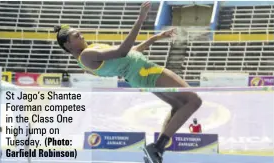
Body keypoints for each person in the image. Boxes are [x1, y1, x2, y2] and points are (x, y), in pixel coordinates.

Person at [54, 2, 202, 163]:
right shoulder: (86, 56)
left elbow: (131, 53)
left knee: (180, 105)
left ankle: (157, 149)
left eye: (80, 33)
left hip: (141, 75)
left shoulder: (90, 51)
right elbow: (122, 51)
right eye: (76, 36)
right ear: (68, 45)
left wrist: (155, 38)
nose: (81, 36)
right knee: (194, 101)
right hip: (146, 72)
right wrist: (140, 19)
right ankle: (158, 147)